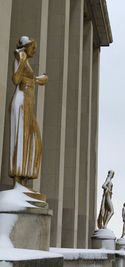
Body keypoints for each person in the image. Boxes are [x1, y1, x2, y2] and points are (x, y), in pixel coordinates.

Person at [10, 36, 48, 185]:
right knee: (21, 139)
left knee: (34, 140)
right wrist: (22, 59)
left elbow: (30, 79)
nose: (35, 50)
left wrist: (40, 79)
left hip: (28, 103)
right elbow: (15, 79)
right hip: (21, 102)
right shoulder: (21, 58)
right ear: (26, 47)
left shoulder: (26, 61)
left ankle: (24, 178)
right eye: (33, 47)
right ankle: (18, 179)